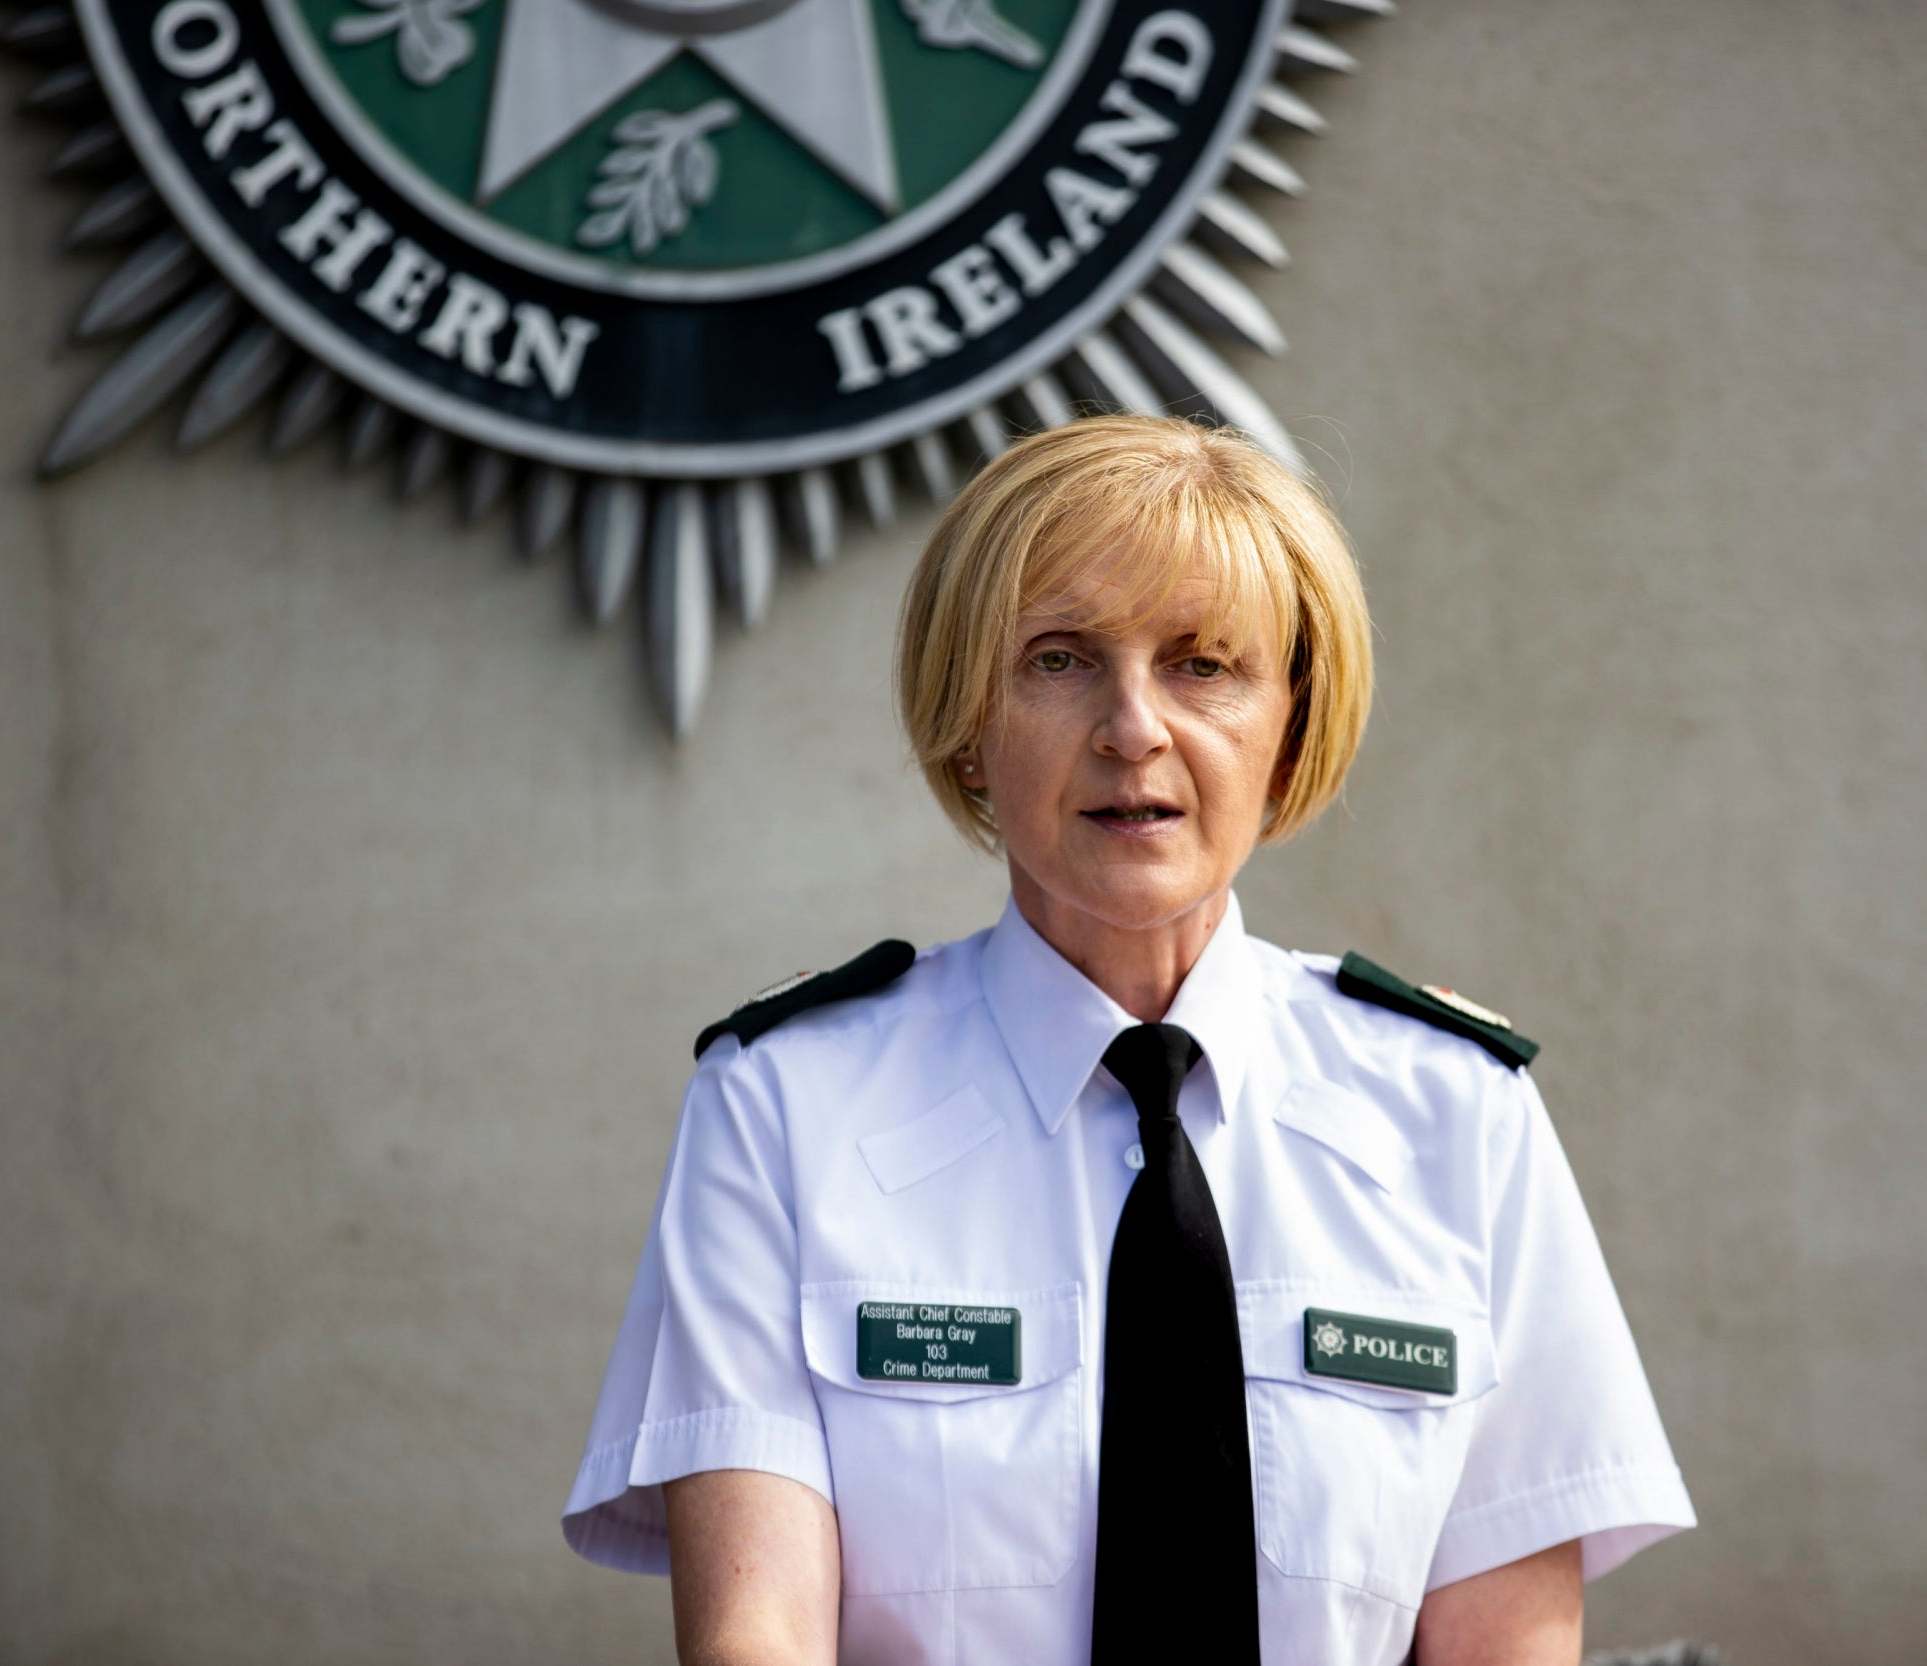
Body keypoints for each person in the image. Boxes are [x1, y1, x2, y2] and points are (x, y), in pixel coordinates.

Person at [559, 412, 1697, 1665]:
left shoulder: (1454, 1114)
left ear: (1289, 724)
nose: (1134, 727)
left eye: (1204, 663)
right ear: (965, 722)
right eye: (1058, 659)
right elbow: (756, 1637)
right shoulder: (785, 1106)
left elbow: (1506, 1649)